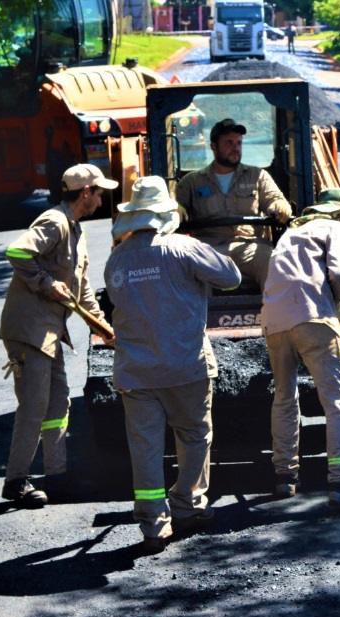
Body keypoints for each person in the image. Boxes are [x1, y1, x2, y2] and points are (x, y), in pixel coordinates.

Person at [104, 176, 242, 554]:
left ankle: (153, 525)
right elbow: (232, 278)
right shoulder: (184, 247)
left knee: (145, 447)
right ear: (166, 210)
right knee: (194, 435)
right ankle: (188, 504)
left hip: (135, 372)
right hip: (185, 366)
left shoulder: (117, 258)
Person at [0, 163, 117, 508]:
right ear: (85, 193)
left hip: (49, 332)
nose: (101, 198)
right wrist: (46, 284)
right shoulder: (55, 221)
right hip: (29, 330)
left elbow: (82, 294)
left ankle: (58, 474)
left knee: (57, 404)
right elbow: (17, 252)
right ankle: (16, 481)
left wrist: (105, 329)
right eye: (99, 192)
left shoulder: (76, 230)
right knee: (34, 405)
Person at [261, 188, 340, 508]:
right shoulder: (336, 228)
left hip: (273, 320)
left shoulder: (292, 232)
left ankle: (285, 476)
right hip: (312, 317)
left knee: (285, 397)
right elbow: (338, 272)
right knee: (337, 401)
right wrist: (334, 302)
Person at [174, 118, 292, 290]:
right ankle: (202, 317)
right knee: (190, 271)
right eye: (229, 143)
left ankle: (277, 315)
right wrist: (177, 210)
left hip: (250, 246)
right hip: (209, 248)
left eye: (238, 143)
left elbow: (274, 199)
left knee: (274, 264)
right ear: (213, 146)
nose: (235, 148)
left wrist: (281, 206)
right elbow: (179, 206)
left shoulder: (257, 176)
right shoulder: (191, 181)